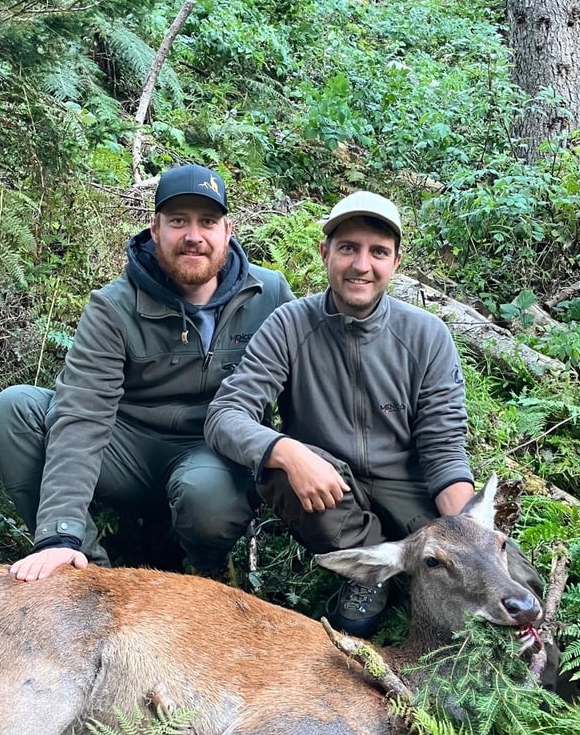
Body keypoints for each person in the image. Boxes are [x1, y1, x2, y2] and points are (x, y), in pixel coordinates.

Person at [0, 164, 294, 581]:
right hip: (126, 450)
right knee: (13, 410)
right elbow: (82, 413)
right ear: (155, 227)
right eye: (178, 221)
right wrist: (60, 533)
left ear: (228, 230)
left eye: (208, 222)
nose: (193, 236)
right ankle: (87, 573)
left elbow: (302, 389)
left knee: (207, 496)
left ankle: (205, 573)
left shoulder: (268, 293)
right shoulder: (113, 306)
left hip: (213, 451)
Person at [204, 190, 481, 637]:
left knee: (492, 569)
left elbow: (443, 447)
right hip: (330, 490)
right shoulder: (290, 324)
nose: (361, 265)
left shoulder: (427, 335)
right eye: (348, 248)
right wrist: (287, 451)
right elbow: (225, 416)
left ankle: (417, 565)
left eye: (378, 252)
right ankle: (368, 571)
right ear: (325, 253)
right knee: (277, 470)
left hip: (407, 490)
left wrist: (468, 529)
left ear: (396, 262)